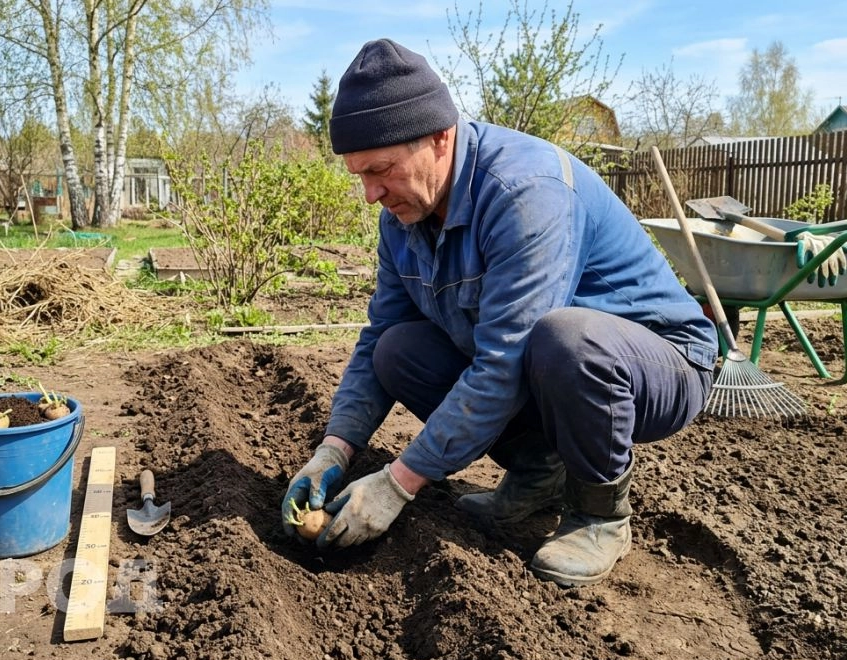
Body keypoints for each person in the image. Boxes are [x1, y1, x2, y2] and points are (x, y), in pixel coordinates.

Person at [281, 38, 718, 588]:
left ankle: (601, 513)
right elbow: (379, 337)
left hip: (657, 362)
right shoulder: (402, 218)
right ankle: (539, 474)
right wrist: (334, 449)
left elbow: (506, 359)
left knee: (568, 338)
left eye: (382, 170)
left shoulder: (524, 192)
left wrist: (397, 483)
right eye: (359, 175)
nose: (371, 194)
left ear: (441, 138)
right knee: (400, 349)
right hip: (546, 369)